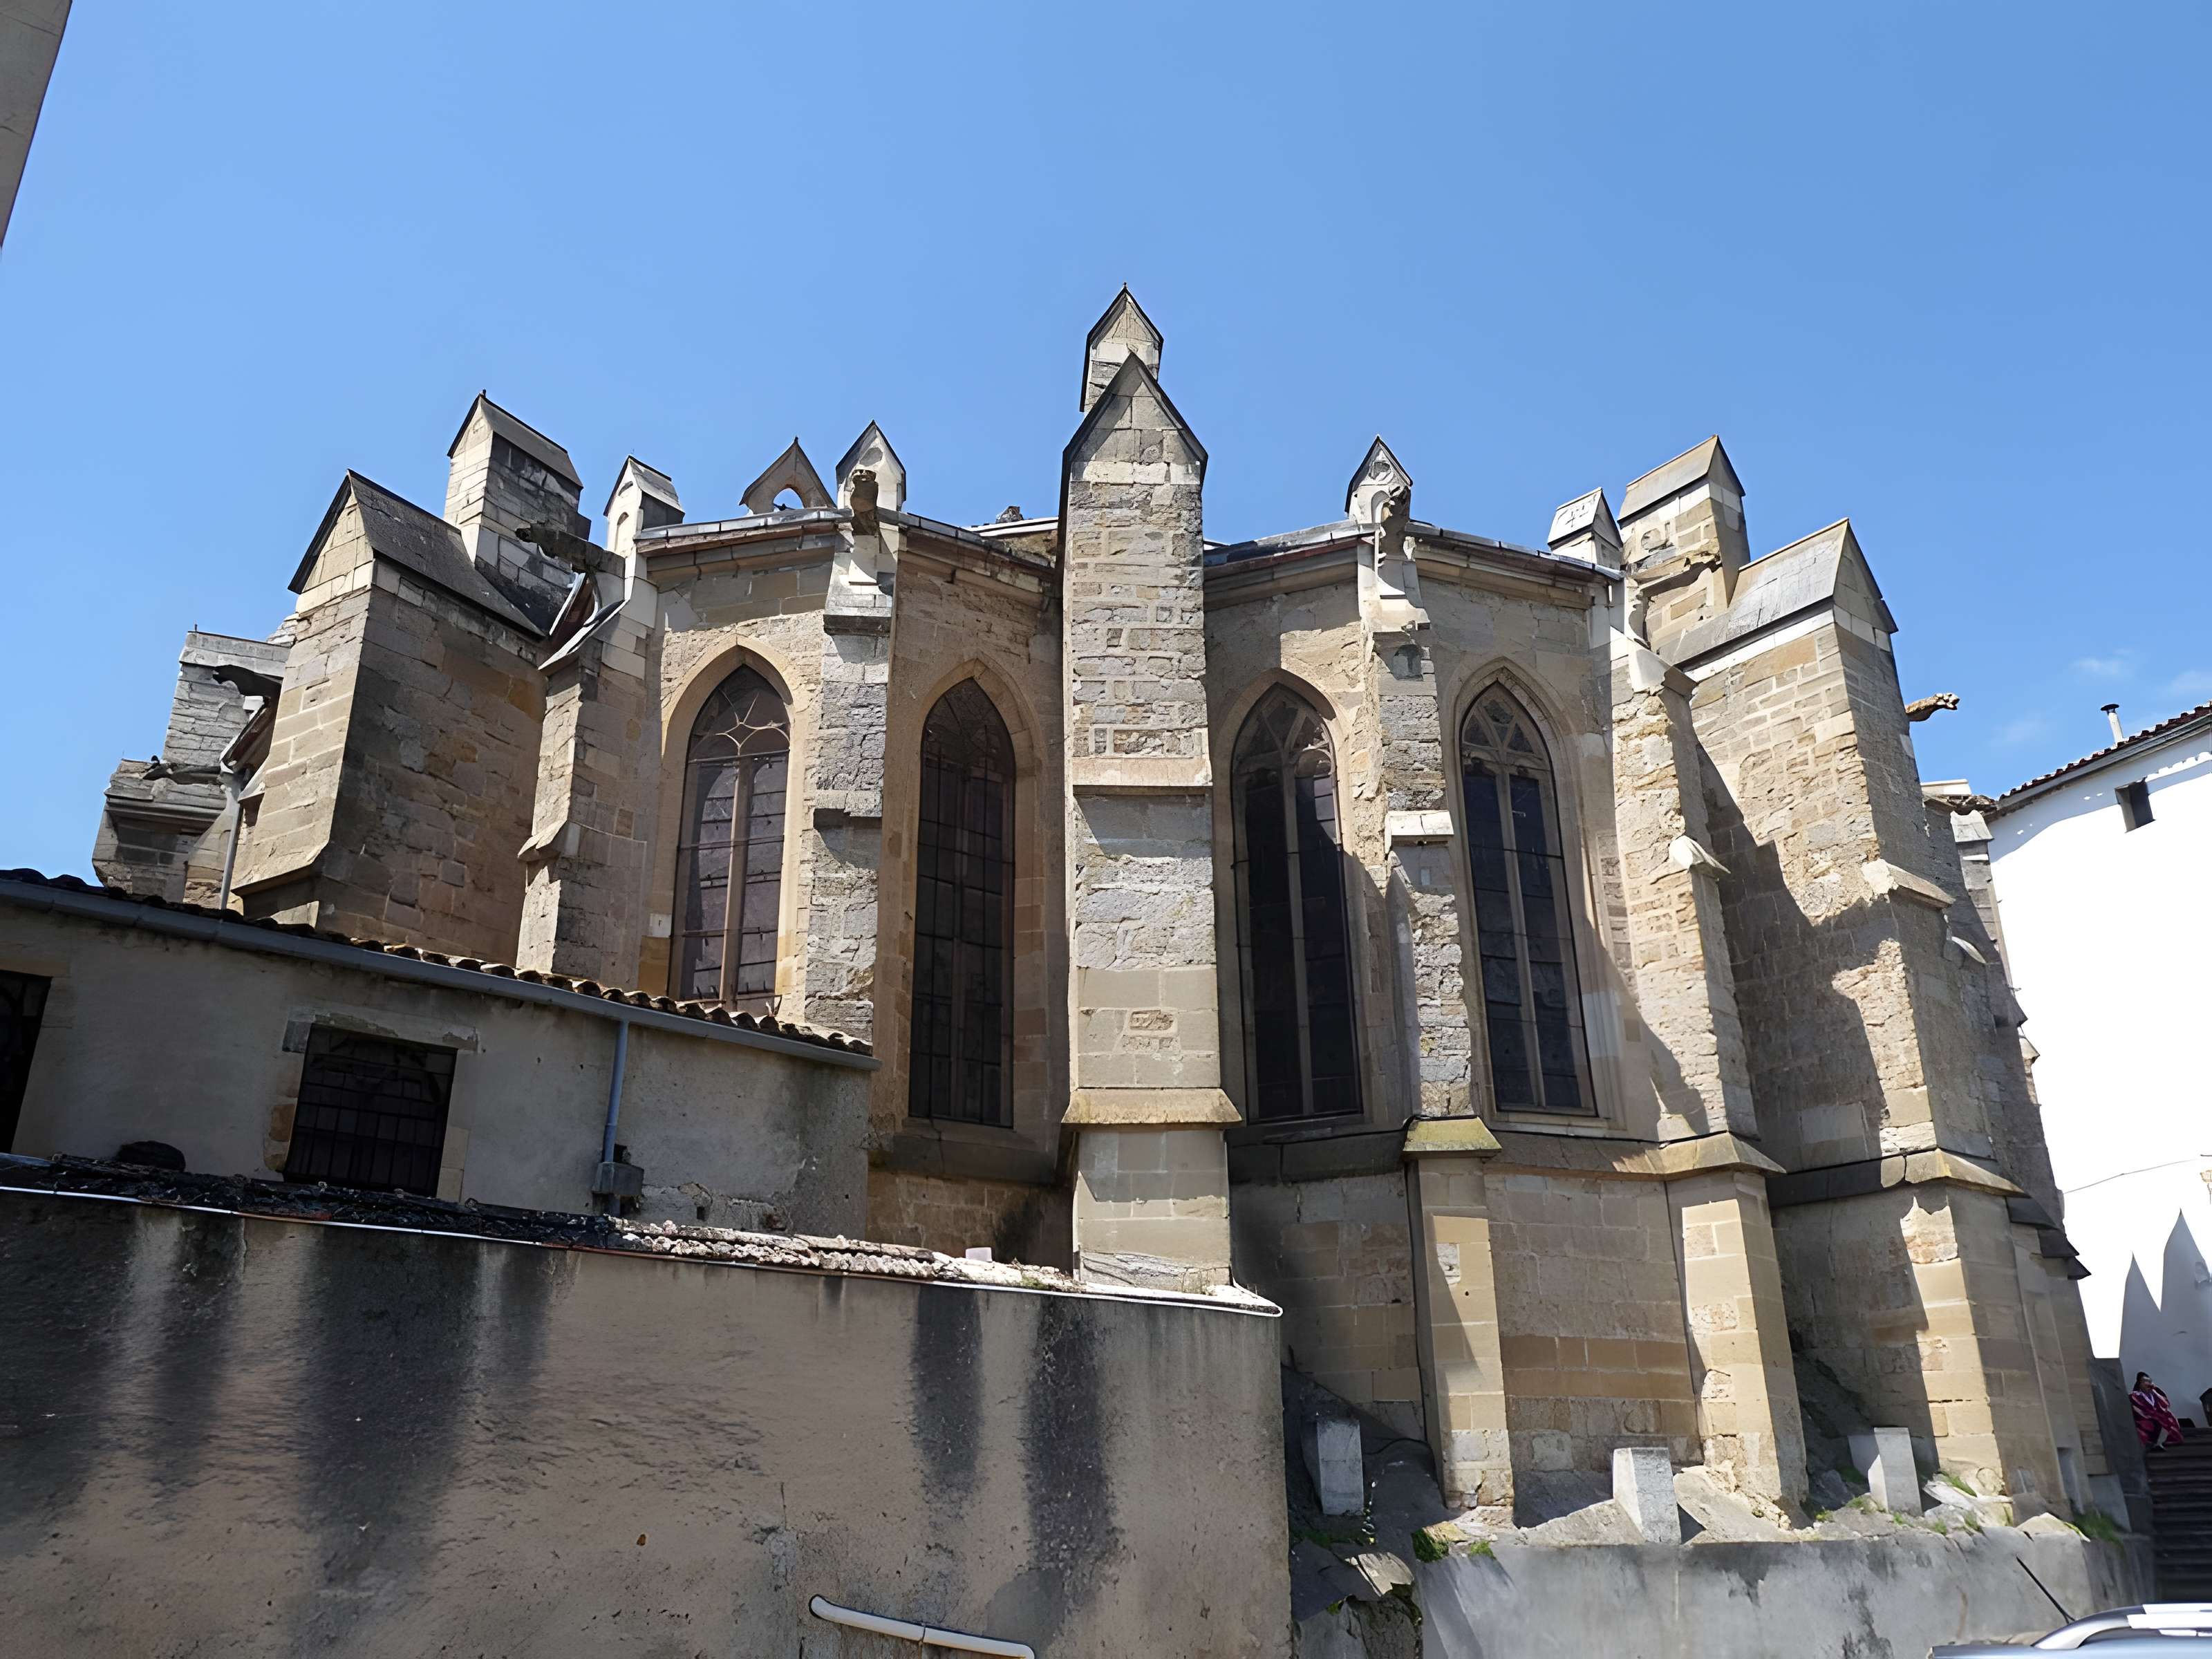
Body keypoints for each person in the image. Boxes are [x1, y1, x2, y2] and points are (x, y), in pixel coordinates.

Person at [2132, 1371, 2184, 1450]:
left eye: (2149, 1381)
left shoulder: (2156, 1394)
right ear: (2139, 1384)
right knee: (2154, 1423)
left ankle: (2159, 1443)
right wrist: (2150, 1415)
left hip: (2158, 1416)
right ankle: (2153, 1444)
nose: (2147, 1384)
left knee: (2168, 1420)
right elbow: (2137, 1409)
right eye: (2144, 1382)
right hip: (2144, 1418)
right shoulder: (2135, 1396)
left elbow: (2165, 1405)